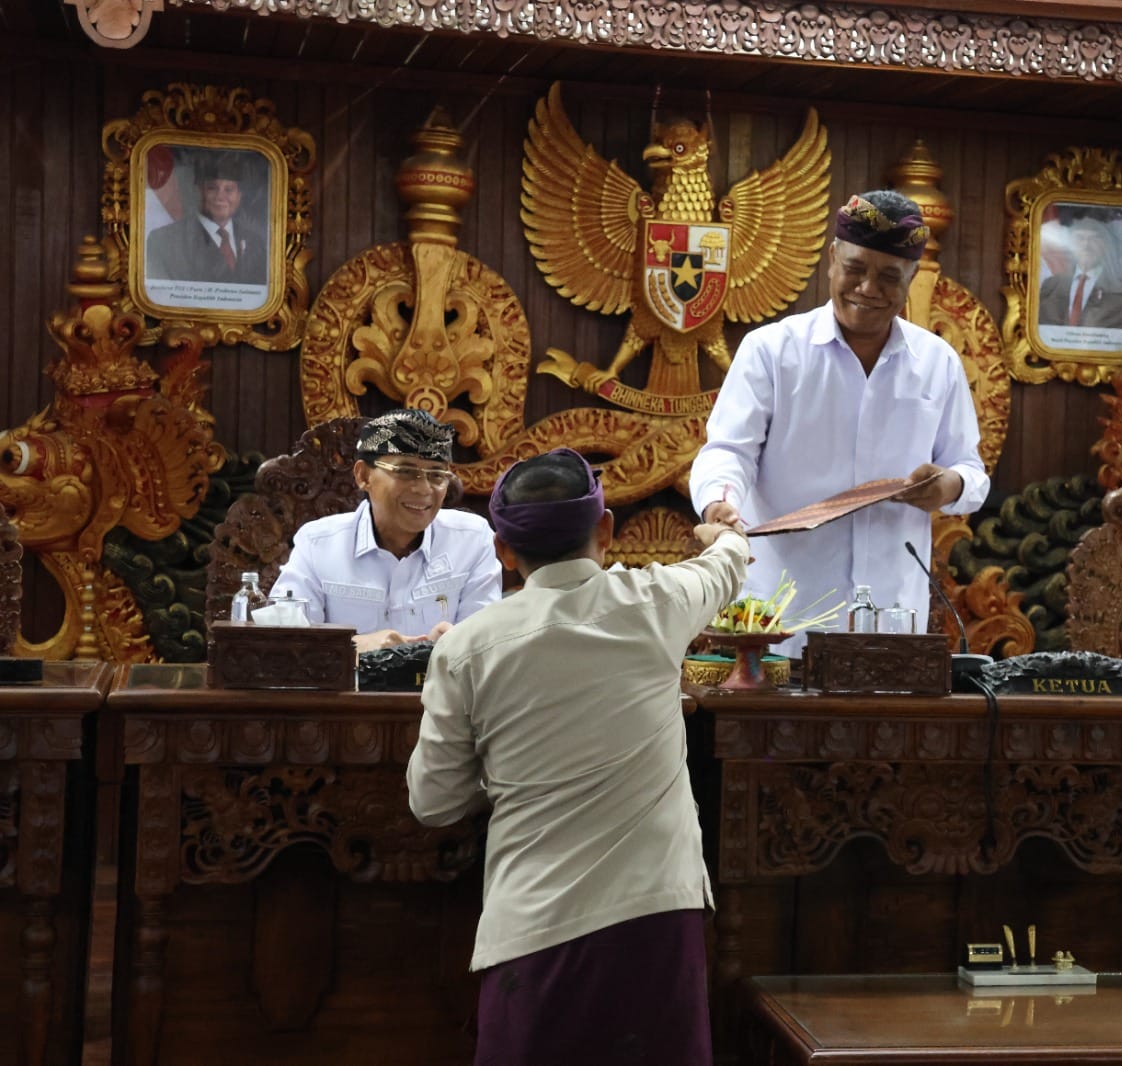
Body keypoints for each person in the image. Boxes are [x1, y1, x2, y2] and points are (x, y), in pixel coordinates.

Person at [406, 447, 748, 1066]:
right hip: (656, 916)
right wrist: (721, 532)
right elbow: (725, 566)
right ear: (606, 530)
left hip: (535, 928)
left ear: (504, 553)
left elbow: (433, 803)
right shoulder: (659, 602)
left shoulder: (465, 650)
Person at [689, 188, 989, 655]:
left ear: (911, 277)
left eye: (889, 276)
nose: (868, 288)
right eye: (854, 269)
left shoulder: (938, 362)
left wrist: (947, 486)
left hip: (892, 623)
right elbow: (729, 451)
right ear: (832, 258)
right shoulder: (772, 351)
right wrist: (719, 507)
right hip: (781, 623)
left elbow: (970, 469)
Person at [273, 409, 501, 653]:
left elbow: (485, 645)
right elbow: (284, 642)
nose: (424, 489)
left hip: (439, 688)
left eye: (436, 475)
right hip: (350, 689)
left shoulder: (471, 539)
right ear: (363, 476)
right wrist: (353, 647)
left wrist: (445, 647)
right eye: (405, 472)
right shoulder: (318, 544)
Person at [144, 151, 269, 285]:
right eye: (212, 188)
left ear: (239, 196)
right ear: (199, 191)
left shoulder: (256, 243)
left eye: (229, 190)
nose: (220, 197)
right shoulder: (165, 240)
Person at [1037, 215, 1122, 331]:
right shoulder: (1051, 285)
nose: (1086, 245)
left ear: (1105, 245)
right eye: (1080, 238)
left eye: (1094, 239)